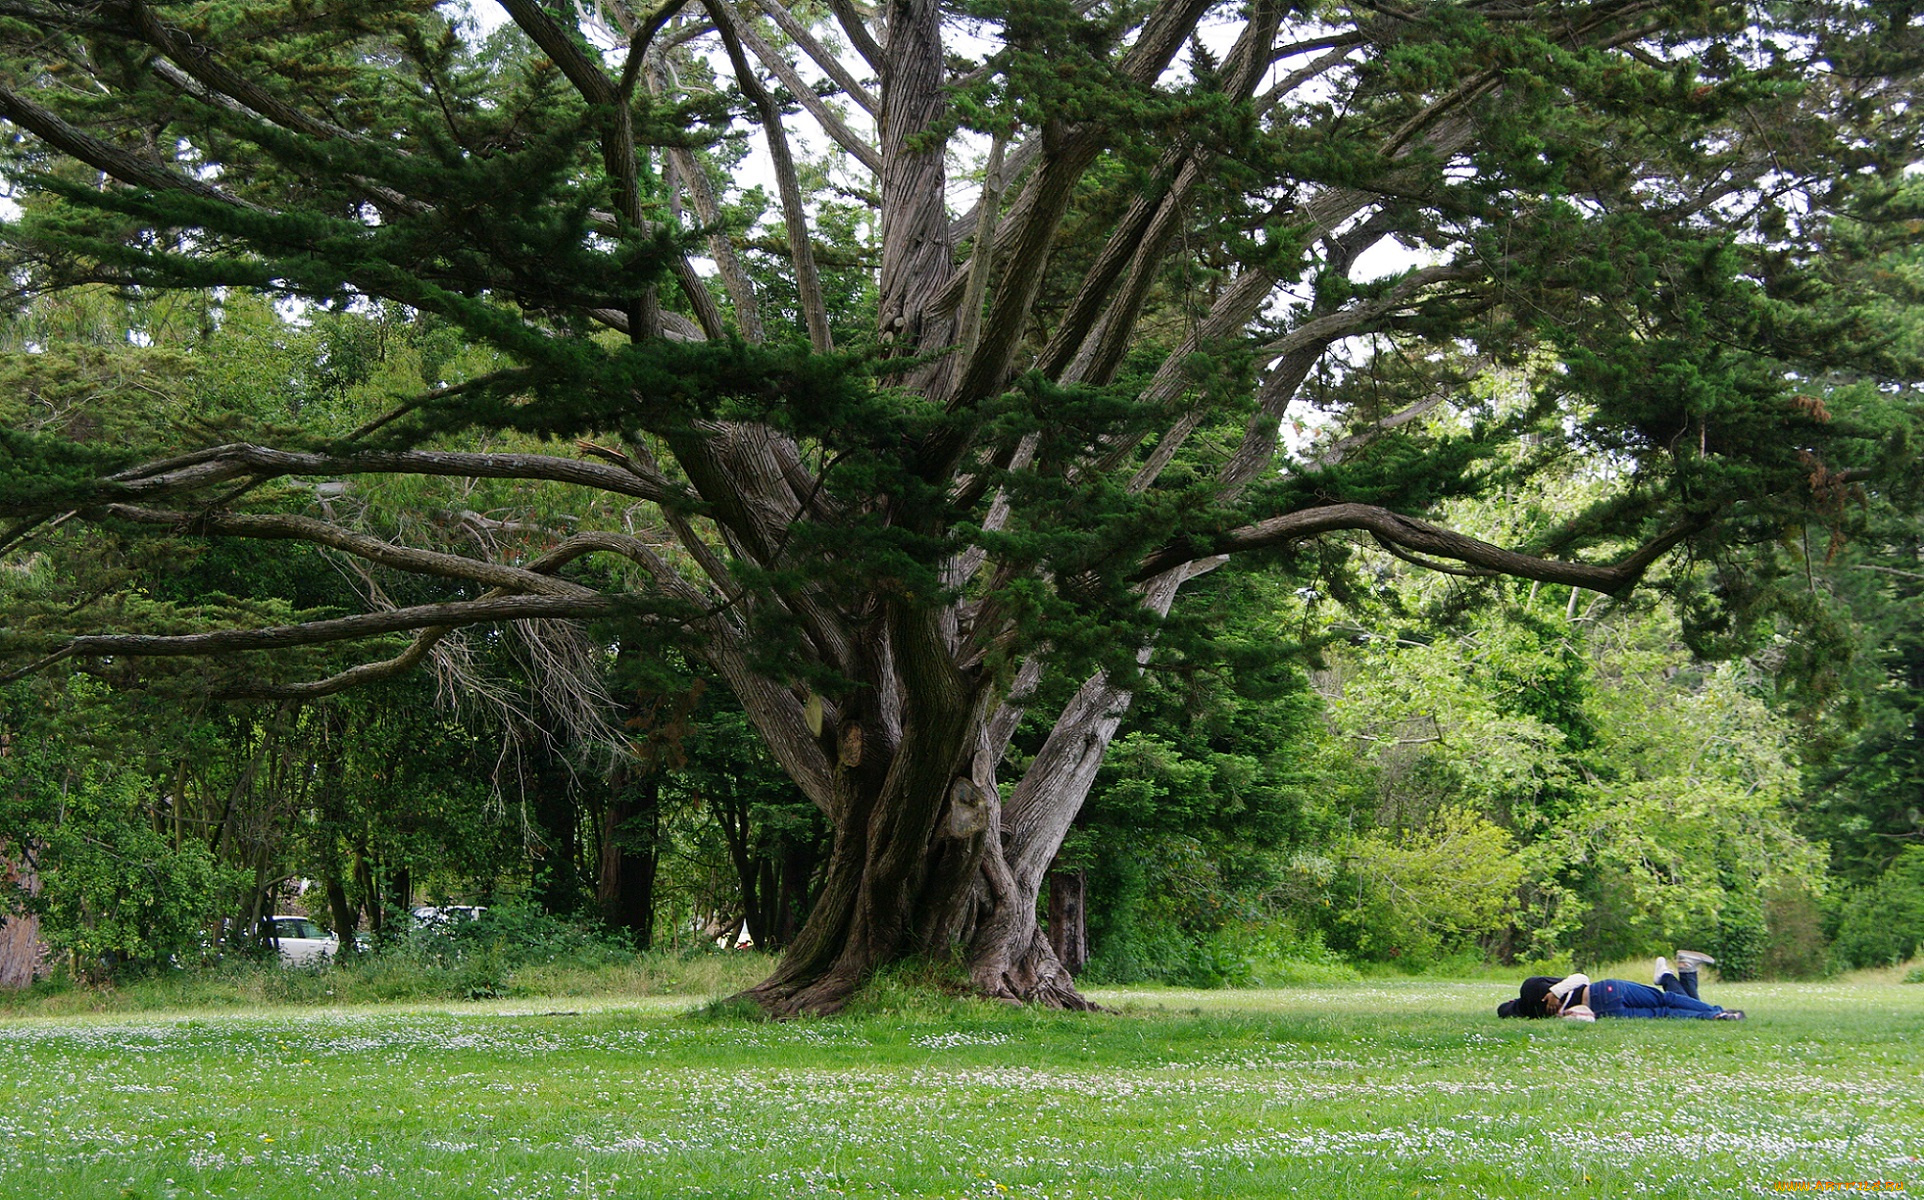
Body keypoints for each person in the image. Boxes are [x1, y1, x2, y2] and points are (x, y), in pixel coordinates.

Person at [1497, 951, 1744, 1021]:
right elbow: (1581, 978)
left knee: (1664, 1012)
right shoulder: (1529, 987)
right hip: (1604, 990)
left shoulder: (1539, 1017)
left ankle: (1717, 1015)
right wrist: (1556, 990)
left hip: (1606, 1012)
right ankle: (1671, 978)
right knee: (1665, 999)